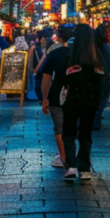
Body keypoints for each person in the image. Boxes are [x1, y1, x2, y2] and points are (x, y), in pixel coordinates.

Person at [57, 23, 106, 181]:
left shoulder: (70, 57)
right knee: (85, 134)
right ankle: (84, 168)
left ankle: (71, 165)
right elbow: (101, 82)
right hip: (90, 101)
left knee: (69, 132)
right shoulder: (97, 58)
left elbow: (61, 79)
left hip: (72, 100)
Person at [40, 25, 73, 169]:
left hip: (56, 94)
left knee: (59, 128)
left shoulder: (54, 54)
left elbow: (46, 78)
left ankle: (64, 157)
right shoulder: (78, 53)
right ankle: (70, 155)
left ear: (59, 38)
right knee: (71, 127)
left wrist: (44, 98)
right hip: (75, 94)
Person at [92, 26, 110, 131]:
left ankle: (94, 121)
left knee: (96, 101)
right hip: (105, 77)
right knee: (101, 102)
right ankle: (96, 121)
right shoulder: (105, 47)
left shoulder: (92, 48)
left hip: (95, 77)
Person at [29, 31, 48, 102]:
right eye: (43, 39)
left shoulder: (48, 48)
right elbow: (30, 58)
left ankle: (44, 98)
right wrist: (31, 68)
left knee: (44, 84)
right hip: (38, 69)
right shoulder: (35, 48)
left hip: (45, 69)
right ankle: (41, 99)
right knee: (38, 84)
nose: (44, 40)